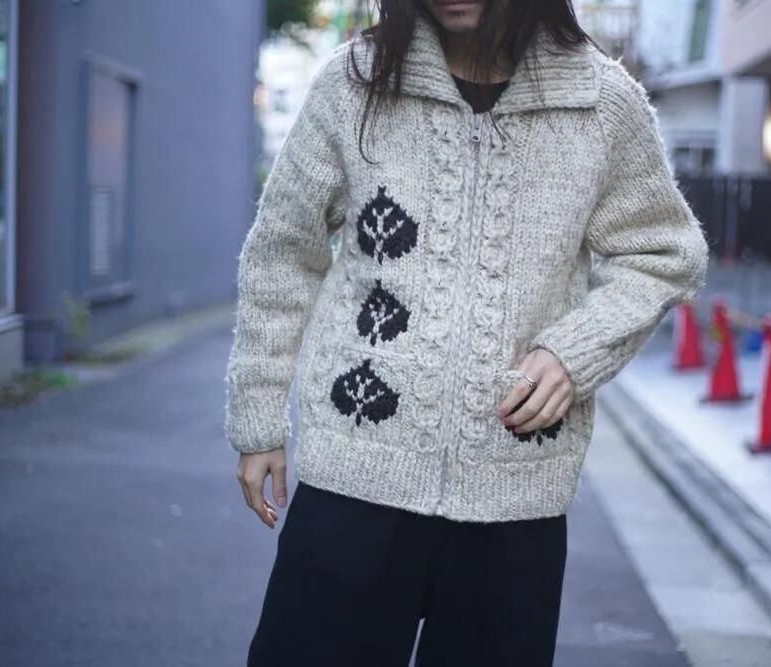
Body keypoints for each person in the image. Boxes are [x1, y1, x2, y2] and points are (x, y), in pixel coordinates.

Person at [224, 1, 709, 664]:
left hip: (514, 502)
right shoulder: (355, 83)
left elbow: (664, 252)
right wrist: (258, 418)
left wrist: (573, 354)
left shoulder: (601, 102)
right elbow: (284, 249)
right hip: (354, 482)